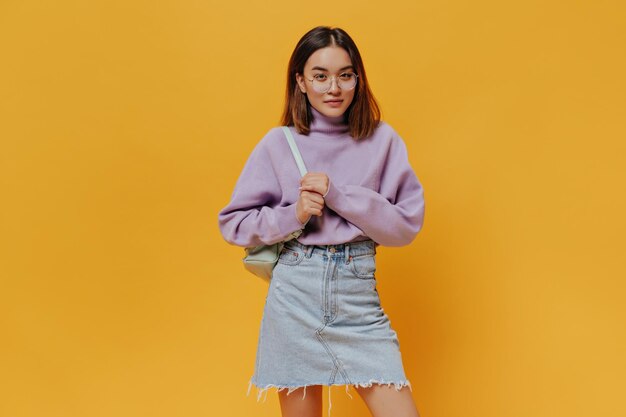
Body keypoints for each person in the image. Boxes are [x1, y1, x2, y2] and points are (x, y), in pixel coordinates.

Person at [217, 25, 425, 417]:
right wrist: (292, 214)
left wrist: (340, 196)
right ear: (300, 81)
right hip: (295, 292)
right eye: (320, 75)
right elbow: (232, 223)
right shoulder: (279, 144)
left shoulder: (383, 140)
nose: (334, 87)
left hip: (357, 294)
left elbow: (405, 226)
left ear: (357, 79)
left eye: (346, 75)